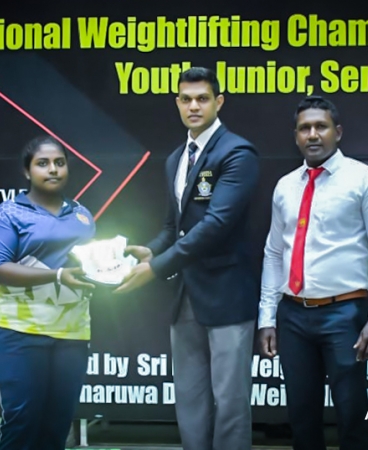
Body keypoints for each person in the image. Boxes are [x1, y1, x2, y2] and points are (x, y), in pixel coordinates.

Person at [114, 67, 259, 450]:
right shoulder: (176, 158)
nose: (194, 106)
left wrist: (157, 267)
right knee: (190, 401)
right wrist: (152, 251)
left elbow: (216, 225)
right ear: (177, 103)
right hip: (185, 296)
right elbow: (172, 226)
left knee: (230, 403)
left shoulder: (237, 152)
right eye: (186, 99)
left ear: (218, 102)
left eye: (202, 99)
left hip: (227, 296)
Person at [258, 95, 368, 450]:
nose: (312, 135)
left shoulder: (365, 180)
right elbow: (274, 253)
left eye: (320, 126)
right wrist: (267, 318)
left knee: (352, 416)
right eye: (304, 128)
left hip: (345, 314)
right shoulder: (285, 186)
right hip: (292, 316)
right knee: (301, 417)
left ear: (338, 132)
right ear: (296, 136)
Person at [0, 135, 97, 450]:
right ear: (27, 171)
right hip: (19, 333)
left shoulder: (82, 215)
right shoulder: (7, 214)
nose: (53, 169)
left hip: (71, 334)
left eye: (59, 163)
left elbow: (89, 266)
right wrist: (57, 276)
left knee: (57, 426)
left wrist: (115, 265)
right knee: (23, 423)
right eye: (43, 163)